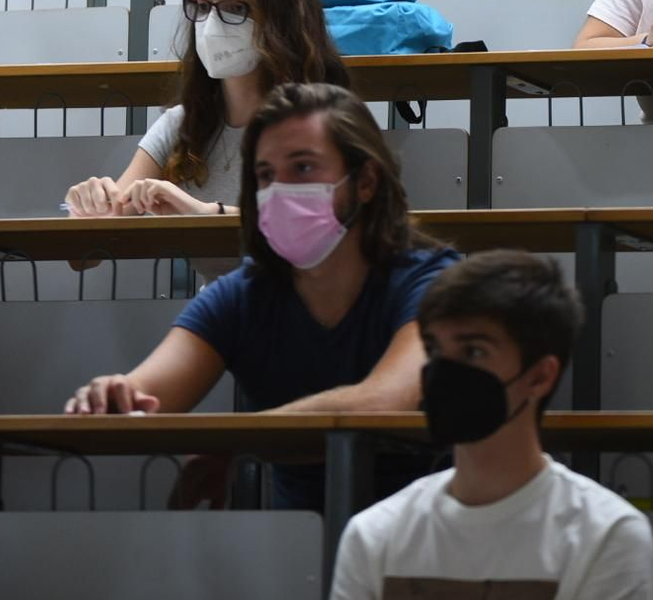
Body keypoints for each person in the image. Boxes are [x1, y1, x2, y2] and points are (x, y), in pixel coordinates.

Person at [65, 82, 460, 511]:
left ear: (365, 181)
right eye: (266, 175)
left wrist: (235, 442)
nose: (279, 190)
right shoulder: (245, 294)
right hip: (301, 552)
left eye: (303, 168)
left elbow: (386, 402)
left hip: (432, 541)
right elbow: (150, 394)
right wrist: (114, 395)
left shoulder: (431, 282)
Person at [330, 250, 653, 599]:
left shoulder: (605, 535)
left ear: (540, 376)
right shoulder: (374, 534)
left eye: (473, 352)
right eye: (435, 350)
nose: (444, 372)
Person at [64, 0, 349, 221]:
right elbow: (89, 248)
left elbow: (323, 226)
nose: (211, 24)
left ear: (280, 20)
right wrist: (88, 206)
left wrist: (209, 213)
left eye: (236, 8)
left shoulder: (322, 120)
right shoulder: (182, 124)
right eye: (202, 5)